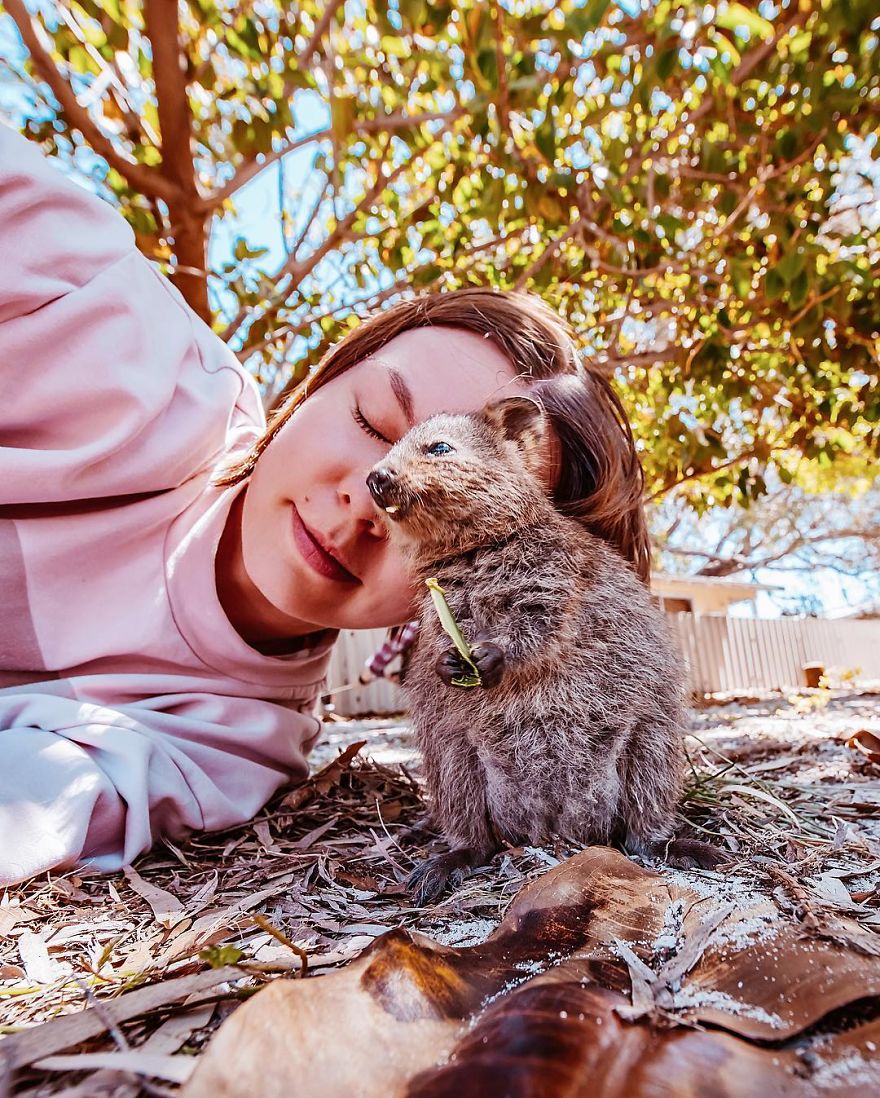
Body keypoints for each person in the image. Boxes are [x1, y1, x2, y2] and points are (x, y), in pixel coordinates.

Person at [0, 125, 648, 886]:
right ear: (322, 379)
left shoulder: (230, 744)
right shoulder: (103, 326)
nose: (374, 499)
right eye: (374, 420)